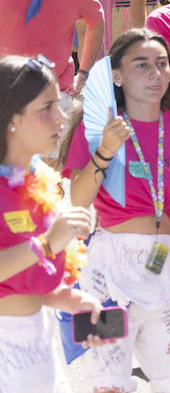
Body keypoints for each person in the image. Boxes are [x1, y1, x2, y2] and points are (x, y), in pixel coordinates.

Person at [63, 29, 170, 393]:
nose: (155, 74)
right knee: (109, 386)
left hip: (169, 264)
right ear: (116, 75)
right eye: (141, 65)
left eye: (162, 64)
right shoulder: (98, 127)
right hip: (108, 272)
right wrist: (106, 150)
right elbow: (78, 199)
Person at [0, 55, 104, 391]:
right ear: (11, 118)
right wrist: (46, 243)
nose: (62, 116)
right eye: (47, 107)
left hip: (37, 342)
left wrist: (64, 298)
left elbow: (19, 282)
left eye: (59, 104)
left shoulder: (39, 181)